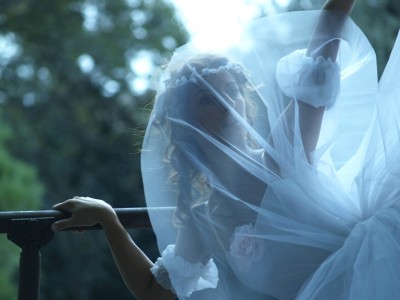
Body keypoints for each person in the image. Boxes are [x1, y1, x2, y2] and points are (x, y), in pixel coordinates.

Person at [52, 0, 400, 298]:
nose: (228, 102)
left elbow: (322, 55)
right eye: (208, 97)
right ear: (187, 121)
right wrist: (108, 219)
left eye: (232, 90)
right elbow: (153, 291)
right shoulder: (203, 219)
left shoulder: (281, 154)